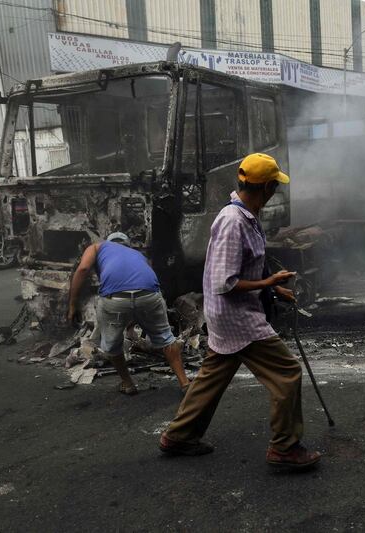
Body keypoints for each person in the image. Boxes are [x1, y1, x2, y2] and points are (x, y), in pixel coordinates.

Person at [159, 153, 322, 469]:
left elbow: (241, 272)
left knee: (213, 375)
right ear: (266, 188)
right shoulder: (234, 222)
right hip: (236, 317)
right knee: (287, 372)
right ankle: (284, 448)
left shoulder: (246, 216)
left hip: (228, 314)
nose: (276, 191)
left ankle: (178, 436)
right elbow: (225, 282)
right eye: (275, 186)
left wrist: (273, 289)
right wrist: (269, 280)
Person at [67, 232, 190, 395]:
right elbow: (140, 283)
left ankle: (128, 383)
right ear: (127, 244)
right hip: (150, 295)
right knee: (166, 338)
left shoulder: (97, 247)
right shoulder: (137, 254)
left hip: (115, 298)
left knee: (112, 343)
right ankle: (185, 383)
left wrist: (72, 305)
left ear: (108, 242)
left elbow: (82, 269)